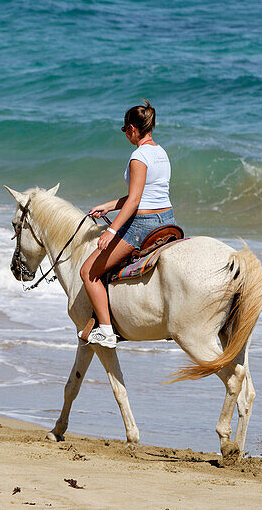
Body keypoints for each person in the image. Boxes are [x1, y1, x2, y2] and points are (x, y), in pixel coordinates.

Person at [79, 100, 175, 348]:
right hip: (167, 220)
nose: (125, 134)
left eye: (125, 130)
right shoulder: (161, 153)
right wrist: (109, 206)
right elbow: (145, 193)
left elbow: (134, 201)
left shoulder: (138, 156)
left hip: (143, 225)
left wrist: (111, 231)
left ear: (132, 128)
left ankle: (107, 331)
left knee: (88, 272)